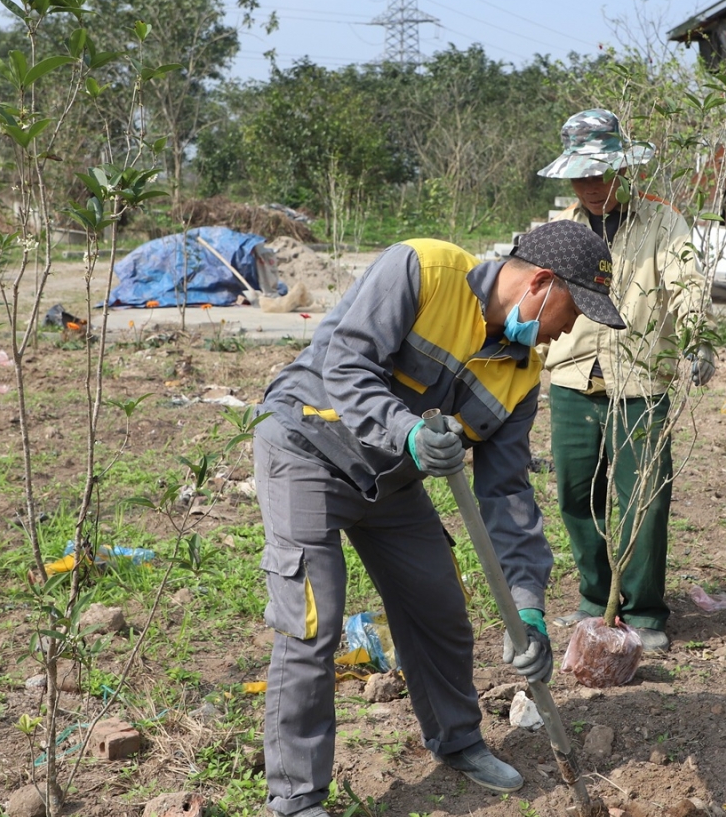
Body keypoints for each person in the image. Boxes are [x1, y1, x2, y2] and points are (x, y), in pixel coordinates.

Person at [253, 220, 625, 817]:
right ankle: (296, 798)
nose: (571, 328)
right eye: (575, 309)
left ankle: (458, 740)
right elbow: (347, 365)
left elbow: (506, 493)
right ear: (542, 284)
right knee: (312, 622)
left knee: (440, 607)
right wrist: (407, 433)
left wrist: (526, 604)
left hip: (392, 483)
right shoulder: (424, 270)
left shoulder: (522, 373)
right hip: (308, 445)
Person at [538, 109, 713, 654]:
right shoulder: (561, 228)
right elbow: (539, 296)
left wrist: (697, 336)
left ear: (623, 170)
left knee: (643, 498)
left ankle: (641, 608)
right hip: (572, 376)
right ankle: (596, 598)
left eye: (601, 174)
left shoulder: (664, 223)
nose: (591, 187)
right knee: (575, 492)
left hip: (639, 379)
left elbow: (687, 281)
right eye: (581, 176)